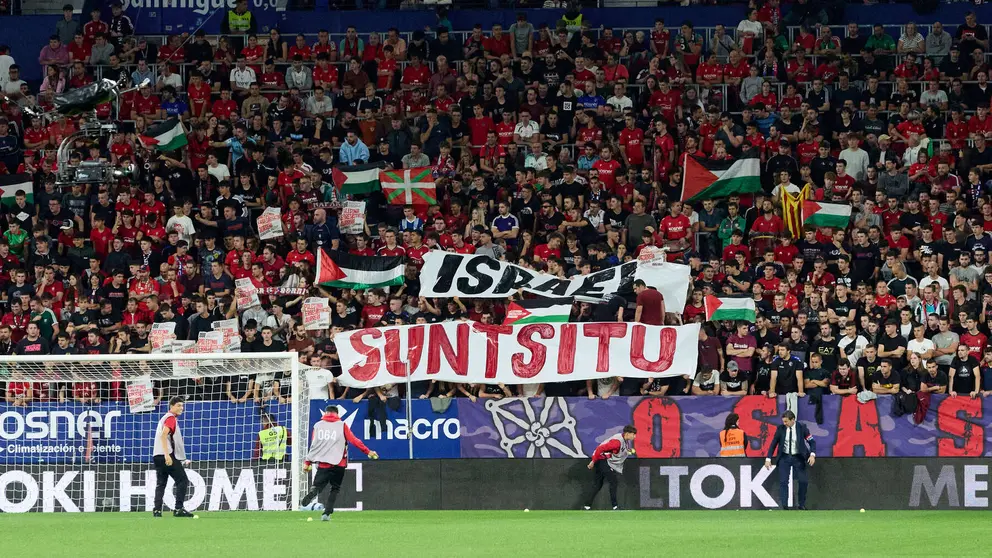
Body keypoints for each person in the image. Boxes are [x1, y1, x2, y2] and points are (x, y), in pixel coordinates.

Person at [301, 405, 378, 521]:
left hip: (323, 463)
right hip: (339, 463)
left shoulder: (318, 426)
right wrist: (368, 451)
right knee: (335, 488)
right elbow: (354, 440)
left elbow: (314, 445)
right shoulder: (342, 425)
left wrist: (307, 462)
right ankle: (327, 513)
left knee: (317, 486)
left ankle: (313, 492)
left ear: (325, 413)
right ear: (337, 414)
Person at [764, 410, 816, 510]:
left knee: (803, 481)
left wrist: (812, 455)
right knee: (783, 481)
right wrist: (768, 458)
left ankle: (801, 505)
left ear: (793, 420)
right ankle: (784, 506)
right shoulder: (780, 429)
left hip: (798, 457)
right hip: (784, 457)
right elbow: (773, 444)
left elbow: (812, 442)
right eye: (783, 421)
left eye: (786, 421)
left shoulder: (802, 427)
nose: (784, 423)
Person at [152, 396, 194, 518]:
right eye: (179, 405)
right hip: (166, 455)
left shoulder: (164, 418)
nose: (182, 408)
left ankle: (157, 510)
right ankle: (178, 508)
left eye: (182, 406)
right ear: (171, 406)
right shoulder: (170, 418)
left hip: (157, 455)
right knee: (182, 480)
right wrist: (167, 455)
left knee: (161, 483)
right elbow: (163, 435)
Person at [582, 425, 637, 510]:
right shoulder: (617, 442)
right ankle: (615, 506)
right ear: (627, 433)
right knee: (613, 481)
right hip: (601, 460)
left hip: (602, 460)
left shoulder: (624, 440)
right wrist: (593, 461)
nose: (634, 436)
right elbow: (600, 448)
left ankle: (586, 506)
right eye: (633, 434)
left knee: (598, 484)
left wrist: (628, 450)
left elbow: (617, 450)